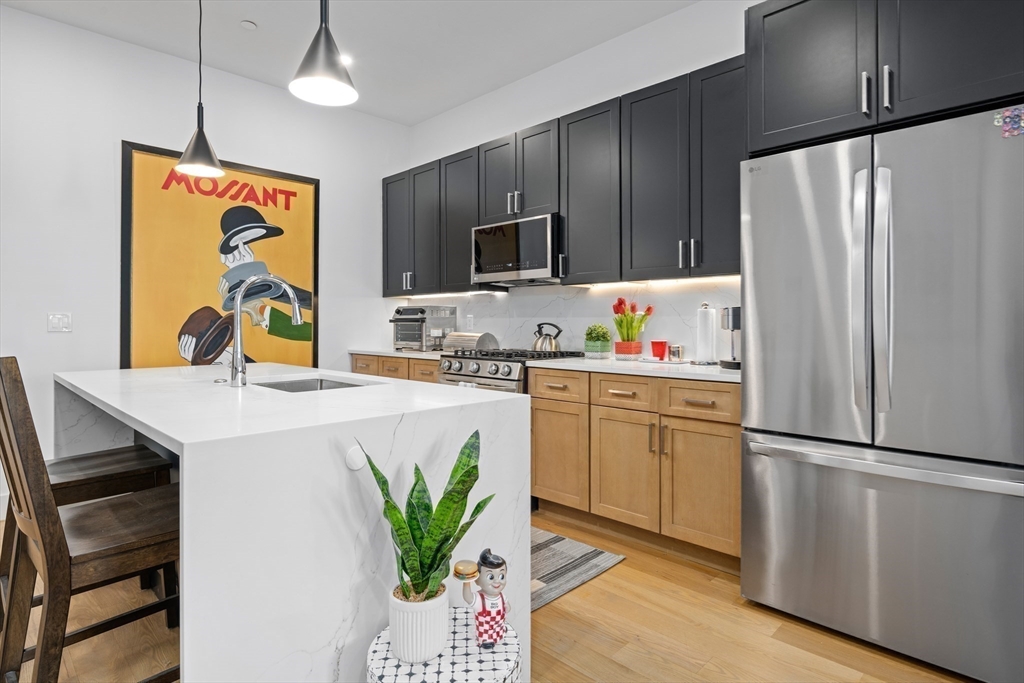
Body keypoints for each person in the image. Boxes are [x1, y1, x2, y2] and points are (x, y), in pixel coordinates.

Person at [461, 548, 508, 649]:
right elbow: (467, 597)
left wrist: (507, 607)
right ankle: (485, 641)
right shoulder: (480, 599)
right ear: (477, 580)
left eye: (501, 576)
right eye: (490, 577)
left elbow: (507, 606)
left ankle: (501, 632)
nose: (497, 581)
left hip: (499, 626)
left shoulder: (501, 597)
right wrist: (466, 582)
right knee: (486, 633)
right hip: (485, 632)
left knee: (500, 630)